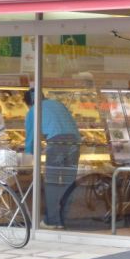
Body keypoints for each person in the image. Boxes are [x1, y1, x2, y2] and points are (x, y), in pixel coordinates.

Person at [24, 88, 81, 229]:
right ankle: (63, 219)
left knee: (52, 182)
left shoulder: (34, 110)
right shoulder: (58, 104)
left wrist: (28, 158)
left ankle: (52, 221)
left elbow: (31, 137)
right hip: (75, 142)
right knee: (69, 182)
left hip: (56, 144)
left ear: (29, 103)